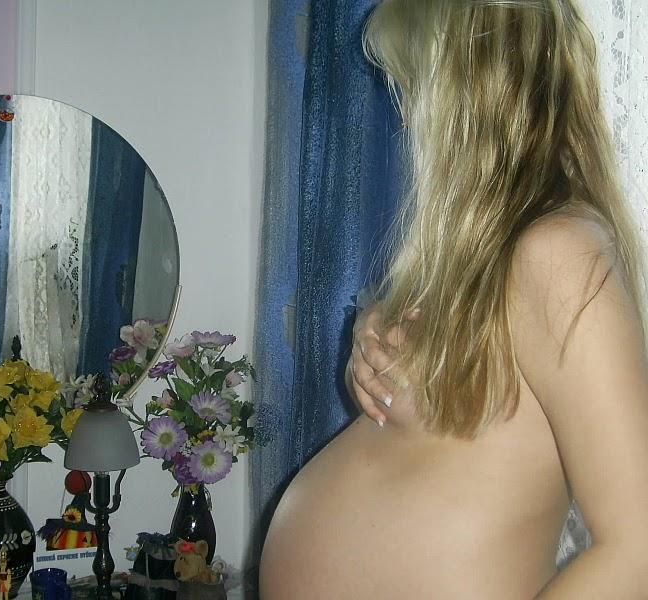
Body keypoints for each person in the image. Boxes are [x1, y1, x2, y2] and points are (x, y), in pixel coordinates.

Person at [260, 0, 648, 597]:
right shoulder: (478, 260)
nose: (407, 111)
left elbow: (637, 547)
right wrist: (372, 335)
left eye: (413, 83)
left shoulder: (558, 251)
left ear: (466, 90)